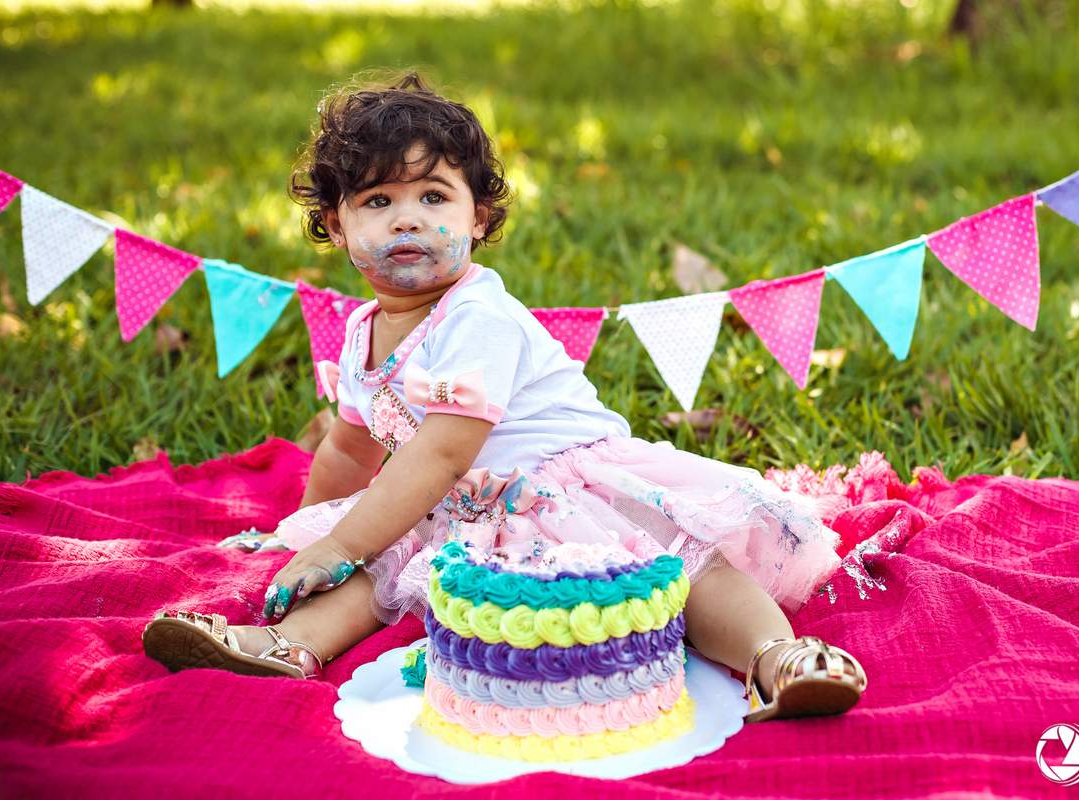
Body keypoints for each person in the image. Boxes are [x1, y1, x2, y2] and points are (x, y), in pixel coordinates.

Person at [142, 72, 866, 721]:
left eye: (433, 197)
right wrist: (306, 537)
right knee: (375, 569)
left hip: (570, 487)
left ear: (478, 219)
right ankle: (286, 644)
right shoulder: (362, 332)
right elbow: (349, 448)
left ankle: (777, 657)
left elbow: (443, 451)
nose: (407, 218)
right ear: (336, 226)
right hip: (463, 508)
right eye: (378, 201)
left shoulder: (477, 317)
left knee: (684, 572)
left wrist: (340, 541)